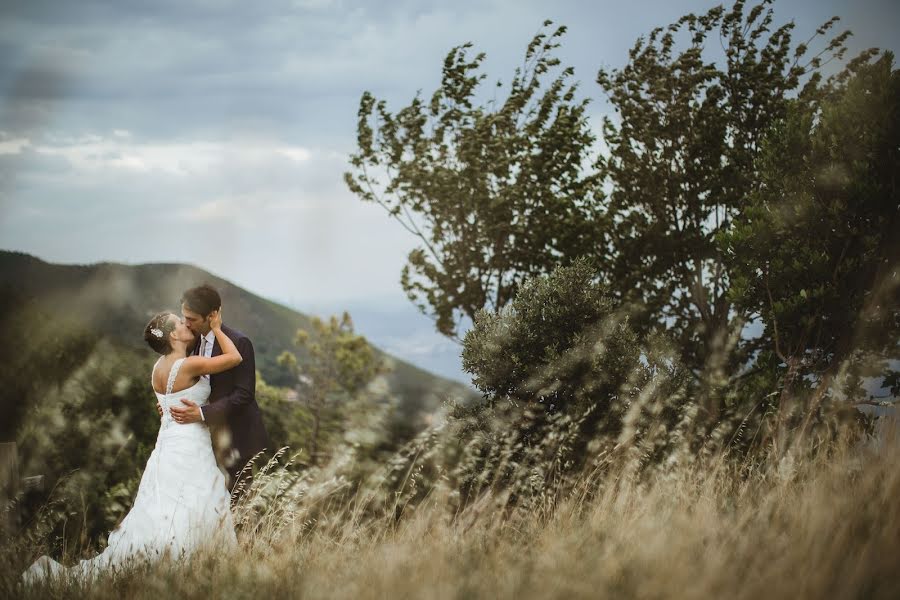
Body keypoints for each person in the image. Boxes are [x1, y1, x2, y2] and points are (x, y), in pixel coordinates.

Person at [23, 309, 239, 583]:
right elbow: (235, 358)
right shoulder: (189, 365)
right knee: (197, 500)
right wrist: (218, 328)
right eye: (180, 322)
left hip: (168, 446)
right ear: (174, 335)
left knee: (170, 505)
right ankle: (191, 567)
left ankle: (177, 565)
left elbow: (166, 404)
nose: (186, 324)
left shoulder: (158, 368)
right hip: (189, 445)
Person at [167, 284, 270, 496]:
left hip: (236, 435)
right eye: (184, 317)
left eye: (192, 319)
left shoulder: (239, 343)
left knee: (236, 500)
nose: (186, 323)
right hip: (203, 435)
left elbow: (244, 394)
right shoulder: (191, 341)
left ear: (212, 315)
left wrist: (203, 413)